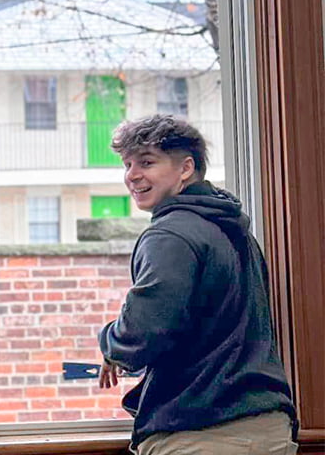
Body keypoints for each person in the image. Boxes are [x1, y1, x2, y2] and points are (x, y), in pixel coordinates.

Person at [98, 114, 297, 455]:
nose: (132, 175)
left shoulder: (170, 234)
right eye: (128, 164)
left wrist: (110, 345)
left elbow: (143, 333)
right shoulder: (236, 232)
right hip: (270, 430)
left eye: (147, 162)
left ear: (185, 168)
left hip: (200, 434)